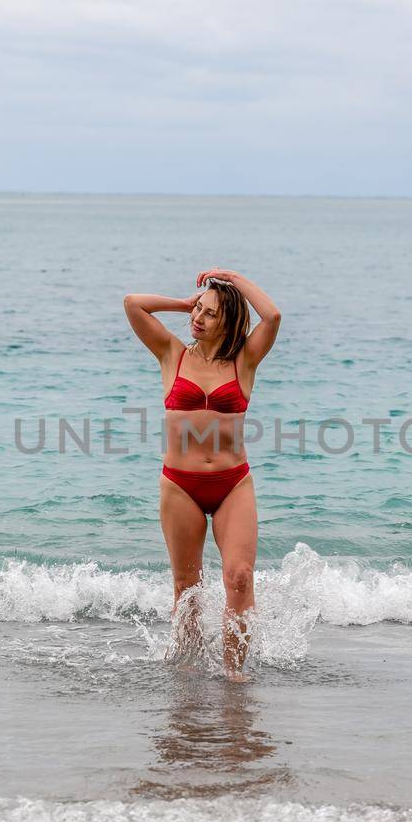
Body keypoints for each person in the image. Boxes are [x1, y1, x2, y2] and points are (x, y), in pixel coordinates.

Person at [123, 269, 281, 677]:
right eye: (198, 310)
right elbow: (132, 303)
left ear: (228, 321)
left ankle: (234, 674)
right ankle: (187, 672)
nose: (199, 319)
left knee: (240, 578)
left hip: (233, 484)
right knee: (187, 589)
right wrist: (187, 302)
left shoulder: (244, 360)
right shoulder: (171, 353)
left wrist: (233, 279)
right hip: (180, 485)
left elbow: (273, 316)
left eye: (211, 314)